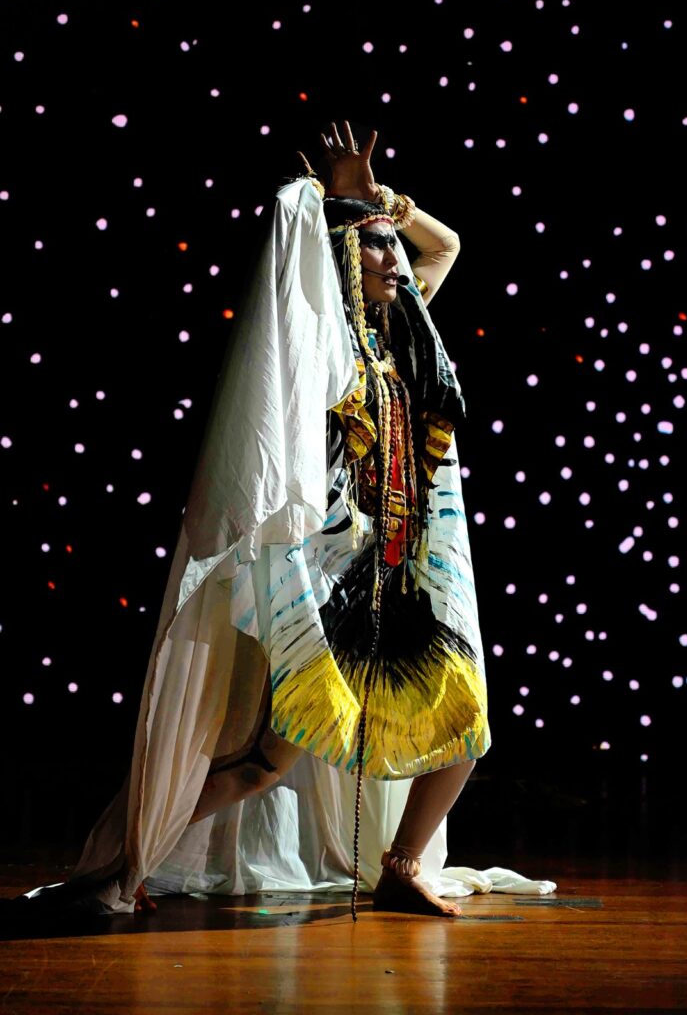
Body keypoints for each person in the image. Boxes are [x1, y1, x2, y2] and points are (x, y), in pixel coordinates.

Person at [16, 122, 555, 923]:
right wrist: (343, 210)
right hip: (337, 580)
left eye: (391, 248)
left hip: (409, 571)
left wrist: (380, 201)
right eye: (375, 249)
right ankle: (125, 866)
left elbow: (444, 245)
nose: (395, 261)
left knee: (464, 727)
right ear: (340, 263)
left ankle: (402, 866)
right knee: (266, 761)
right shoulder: (321, 347)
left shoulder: (404, 330)